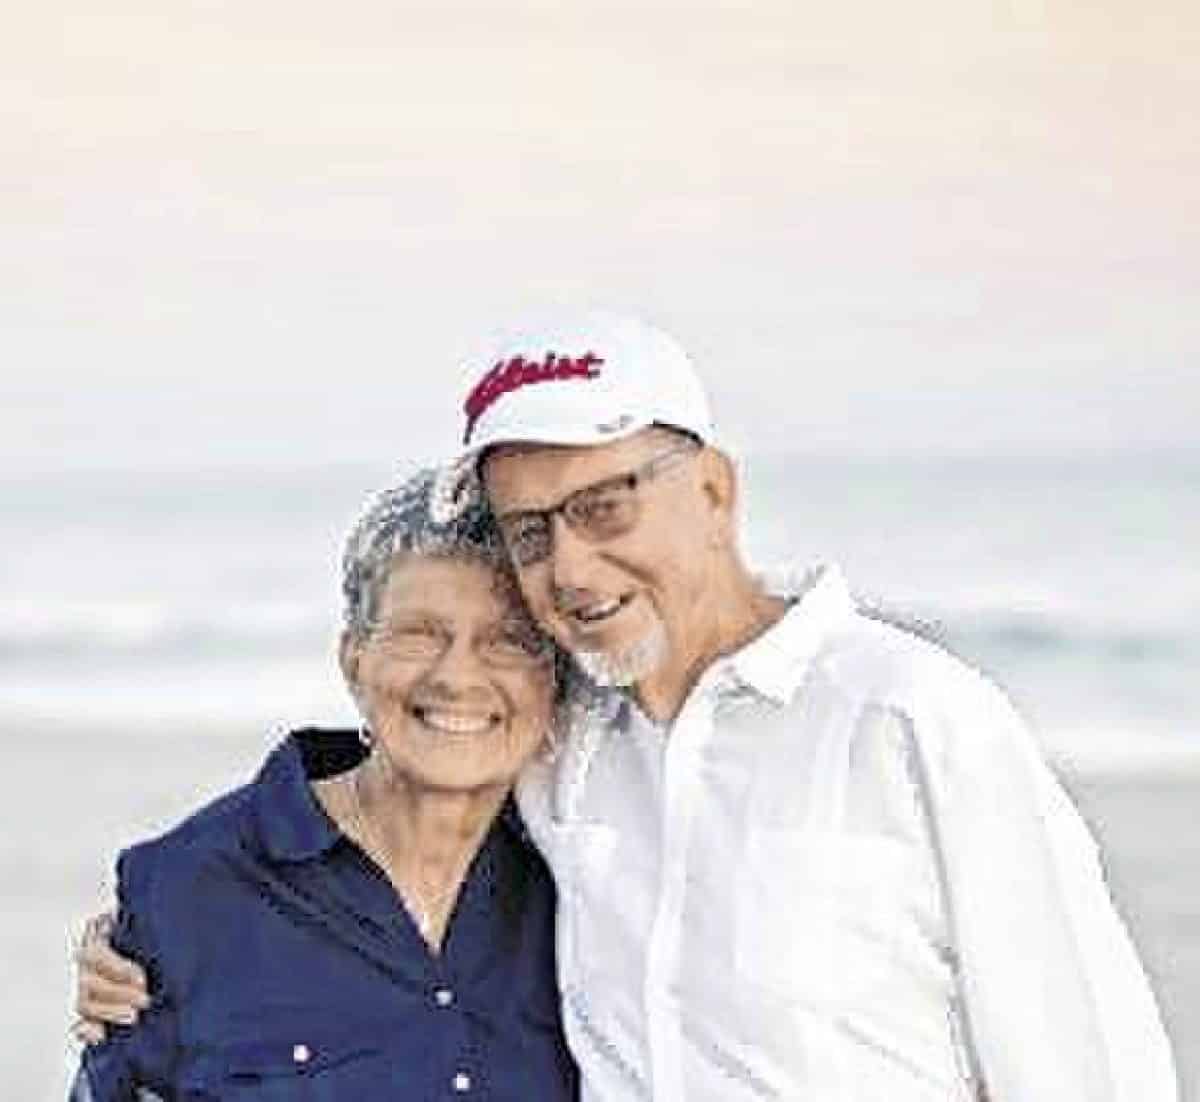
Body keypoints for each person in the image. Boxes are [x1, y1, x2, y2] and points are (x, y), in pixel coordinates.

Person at [79, 312, 1178, 1100]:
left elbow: (1088, 1062)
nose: (570, 566)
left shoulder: (907, 719)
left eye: (605, 507)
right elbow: (392, 817)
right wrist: (161, 937)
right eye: (531, 532)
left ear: (714, 490)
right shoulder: (566, 748)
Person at [70, 469, 579, 1100]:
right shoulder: (189, 887)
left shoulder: (587, 880)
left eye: (509, 641)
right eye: (420, 634)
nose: (457, 677)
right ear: (353, 659)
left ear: (554, 681)